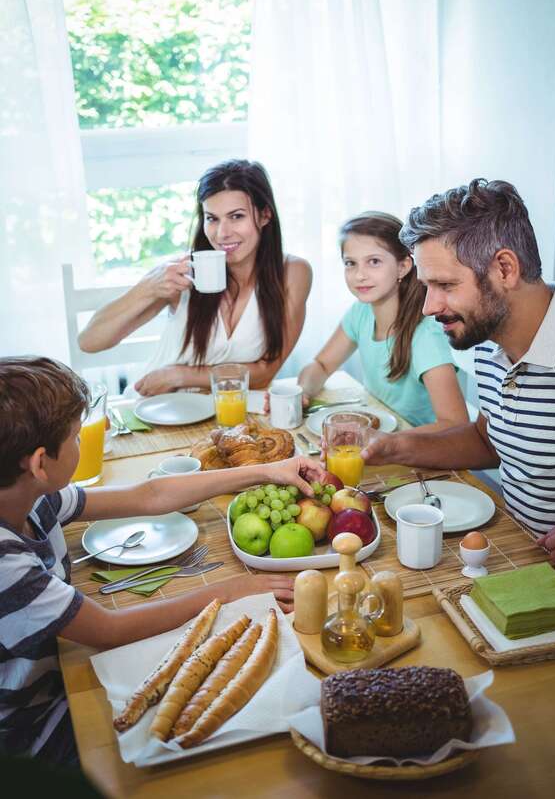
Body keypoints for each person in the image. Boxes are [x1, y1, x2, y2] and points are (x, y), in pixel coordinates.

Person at [0, 356, 325, 763]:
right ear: (39, 463)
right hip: (32, 728)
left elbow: (149, 495)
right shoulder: (7, 564)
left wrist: (267, 471)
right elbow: (110, 629)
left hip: (57, 675)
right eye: (76, 437)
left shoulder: (33, 498)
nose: (81, 443)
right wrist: (230, 591)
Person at [362, 179, 555, 581]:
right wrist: (398, 446)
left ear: (505, 269)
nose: (428, 306)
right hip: (522, 561)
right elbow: (488, 442)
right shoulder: (488, 341)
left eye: (445, 285)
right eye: (426, 287)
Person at [78, 160, 312, 394]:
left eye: (236, 216)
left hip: (228, 411)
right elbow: (89, 341)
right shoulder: (182, 272)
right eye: (212, 218)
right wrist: (148, 288)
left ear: (265, 215)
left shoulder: (293, 273)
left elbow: (266, 372)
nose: (222, 233)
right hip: (156, 406)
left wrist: (179, 375)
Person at [297, 212, 468, 429]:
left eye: (374, 262)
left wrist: (384, 442)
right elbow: (322, 365)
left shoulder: (426, 334)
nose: (360, 275)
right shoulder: (361, 312)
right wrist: (302, 392)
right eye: (350, 263)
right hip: (380, 436)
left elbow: (455, 425)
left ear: (403, 267)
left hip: (420, 444)